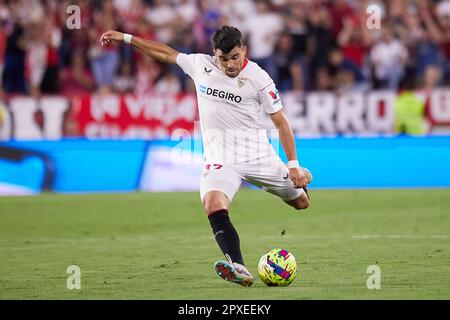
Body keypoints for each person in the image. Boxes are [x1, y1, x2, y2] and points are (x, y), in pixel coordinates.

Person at [100, 26, 312, 287]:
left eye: (235, 57)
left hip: (258, 156)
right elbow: (164, 53)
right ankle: (238, 266)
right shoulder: (201, 65)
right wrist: (126, 38)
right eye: (224, 59)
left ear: (243, 50)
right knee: (213, 204)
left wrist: (292, 165)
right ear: (215, 55)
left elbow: (282, 123)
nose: (230, 64)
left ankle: (302, 176)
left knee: (302, 203)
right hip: (221, 160)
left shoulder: (259, 78)